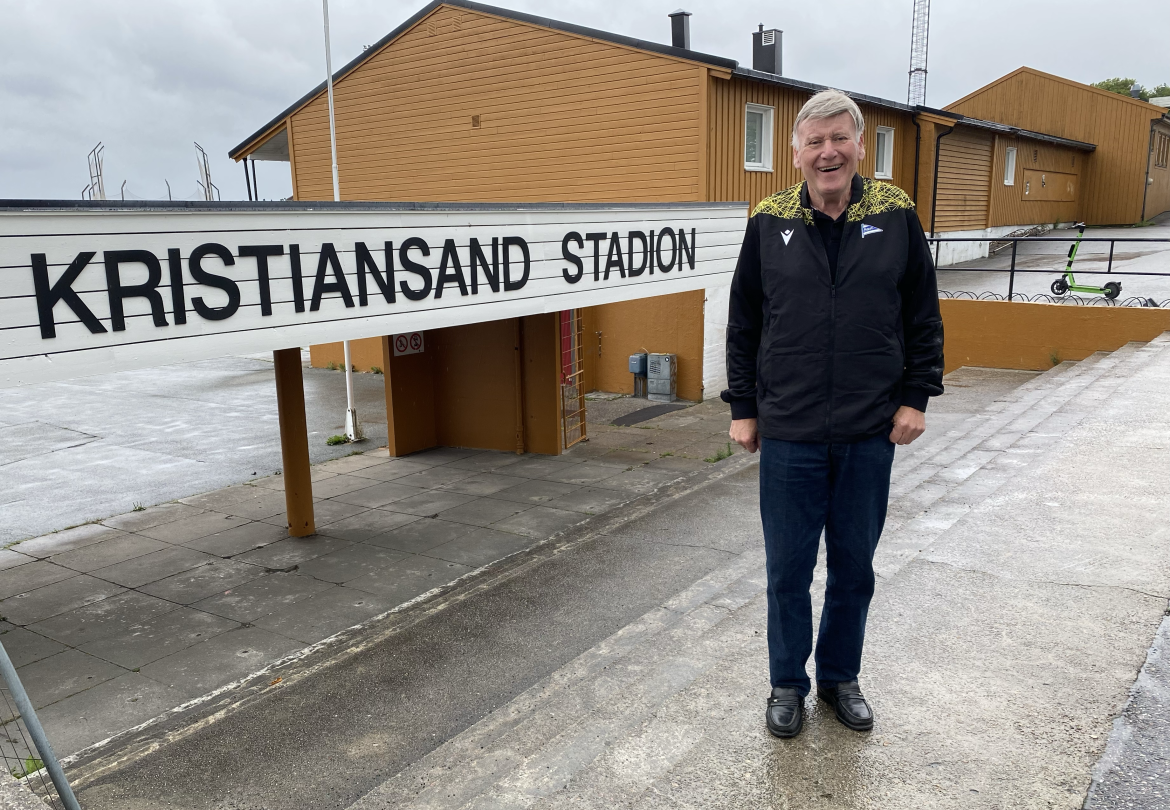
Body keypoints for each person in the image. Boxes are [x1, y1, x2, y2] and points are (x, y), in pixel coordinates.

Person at [722, 89, 944, 738]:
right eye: (814, 142)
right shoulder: (769, 220)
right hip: (789, 430)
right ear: (795, 154)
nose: (827, 152)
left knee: (854, 567)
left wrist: (916, 396)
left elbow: (922, 315)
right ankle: (786, 684)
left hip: (868, 428)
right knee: (787, 570)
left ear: (858, 144)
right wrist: (744, 408)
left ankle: (839, 679)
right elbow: (744, 324)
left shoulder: (896, 213)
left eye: (838, 139)